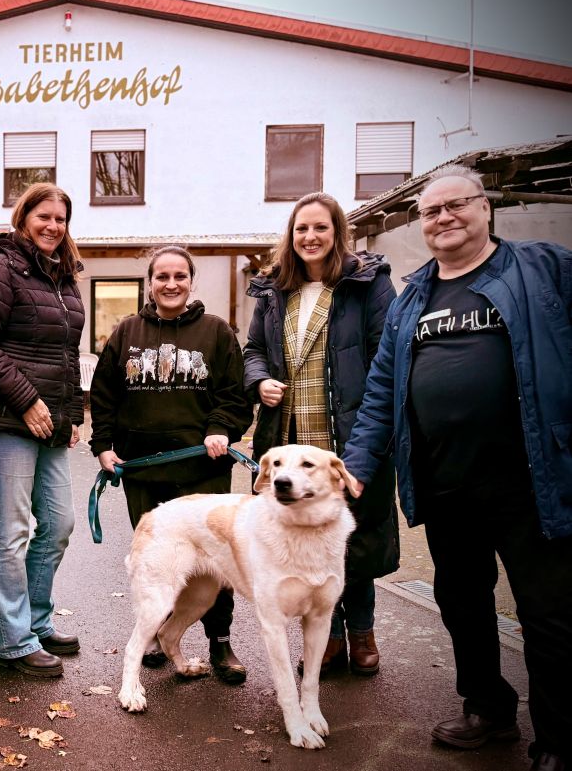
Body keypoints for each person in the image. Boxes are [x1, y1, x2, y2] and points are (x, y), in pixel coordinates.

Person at [342, 165, 572, 771]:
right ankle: (488, 710)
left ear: (485, 207)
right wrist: (356, 464)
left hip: (531, 482)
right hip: (446, 484)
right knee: (463, 604)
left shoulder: (543, 268)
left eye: (456, 204)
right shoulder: (412, 298)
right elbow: (381, 391)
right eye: (431, 211)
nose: (443, 217)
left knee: (548, 613)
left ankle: (557, 739)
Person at [243, 191, 399, 677]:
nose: (310, 237)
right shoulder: (274, 290)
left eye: (320, 228)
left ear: (338, 233)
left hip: (351, 436)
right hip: (291, 440)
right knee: (305, 545)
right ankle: (327, 638)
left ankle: (363, 633)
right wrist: (259, 380)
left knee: (356, 538)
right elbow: (253, 350)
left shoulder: (368, 284)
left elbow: (388, 357)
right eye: (301, 228)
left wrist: (371, 438)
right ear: (290, 236)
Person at [89, 246, 254, 683]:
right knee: (159, 567)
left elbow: (234, 396)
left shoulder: (217, 332)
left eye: (180, 275)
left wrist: (221, 429)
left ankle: (220, 643)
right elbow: (104, 396)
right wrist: (102, 445)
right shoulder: (126, 332)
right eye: (162, 276)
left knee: (216, 566)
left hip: (203, 471)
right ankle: (161, 635)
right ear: (150, 283)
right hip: (143, 471)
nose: (171, 283)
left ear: (191, 281)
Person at [0, 182, 85, 679]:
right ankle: (13, 642)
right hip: (4, 419)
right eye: (43, 216)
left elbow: (65, 355)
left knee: (59, 523)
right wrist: (28, 401)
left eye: (61, 218)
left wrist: (70, 414)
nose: (53, 225)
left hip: (48, 422)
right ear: (23, 217)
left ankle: (36, 621)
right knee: (13, 531)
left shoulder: (62, 275)